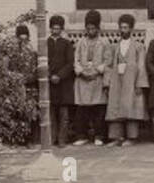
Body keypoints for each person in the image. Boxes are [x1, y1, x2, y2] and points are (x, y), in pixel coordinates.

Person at [104, 13, 148, 146]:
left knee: (131, 107)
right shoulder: (114, 46)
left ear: (131, 29)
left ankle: (132, 137)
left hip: (131, 80)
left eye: (126, 27)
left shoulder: (138, 47)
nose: (123, 30)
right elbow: (109, 65)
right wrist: (107, 82)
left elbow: (141, 65)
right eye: (121, 27)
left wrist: (140, 84)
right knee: (115, 107)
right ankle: (116, 137)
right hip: (117, 80)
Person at [72, 10, 109, 146]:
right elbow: (75, 59)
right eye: (88, 28)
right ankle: (82, 135)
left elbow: (108, 60)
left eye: (93, 28)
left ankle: (99, 136)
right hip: (83, 80)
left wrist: (97, 71)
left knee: (98, 109)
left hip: (97, 79)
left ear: (98, 29)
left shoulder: (104, 42)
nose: (90, 31)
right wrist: (81, 72)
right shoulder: (81, 42)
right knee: (82, 110)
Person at [46, 14, 74, 147]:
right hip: (50, 83)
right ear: (50, 28)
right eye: (53, 28)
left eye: (58, 28)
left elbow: (70, 63)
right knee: (51, 113)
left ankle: (62, 139)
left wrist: (60, 76)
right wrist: (50, 75)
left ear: (62, 29)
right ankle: (52, 138)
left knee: (64, 114)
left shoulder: (67, 44)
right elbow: (42, 61)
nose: (55, 31)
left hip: (63, 84)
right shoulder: (46, 43)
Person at [14, 24, 37, 141]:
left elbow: (35, 69)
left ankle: (30, 138)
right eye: (20, 39)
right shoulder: (13, 52)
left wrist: (28, 79)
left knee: (30, 112)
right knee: (18, 112)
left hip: (30, 87)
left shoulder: (32, 51)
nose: (23, 41)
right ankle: (19, 138)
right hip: (17, 87)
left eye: (25, 38)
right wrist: (18, 79)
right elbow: (11, 69)